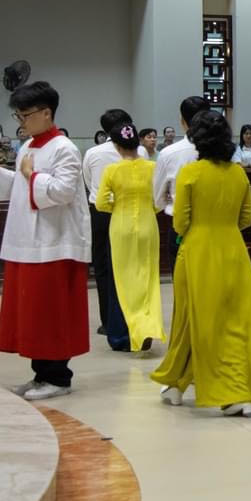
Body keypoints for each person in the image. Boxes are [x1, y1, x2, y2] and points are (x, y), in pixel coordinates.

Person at [0, 81, 90, 401]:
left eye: (25, 115)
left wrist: (31, 175)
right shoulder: (28, 147)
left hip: (56, 241)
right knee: (34, 312)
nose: (21, 122)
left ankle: (58, 378)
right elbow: (22, 187)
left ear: (46, 113)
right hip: (28, 241)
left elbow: (63, 191)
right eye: (19, 115)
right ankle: (41, 375)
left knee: (52, 312)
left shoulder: (65, 148)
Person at [151, 110, 251, 417]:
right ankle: (177, 383)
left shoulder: (190, 173)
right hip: (233, 250)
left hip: (197, 251)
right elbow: (246, 219)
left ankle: (231, 393)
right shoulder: (239, 174)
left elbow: (180, 222)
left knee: (197, 319)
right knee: (235, 320)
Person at [94, 123, 163, 352]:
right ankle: (145, 330)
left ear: (116, 145)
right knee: (147, 279)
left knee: (121, 280)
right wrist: (148, 209)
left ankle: (121, 336)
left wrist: (119, 207)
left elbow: (101, 203)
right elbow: (159, 201)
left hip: (121, 227)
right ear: (138, 142)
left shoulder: (112, 170)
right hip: (148, 226)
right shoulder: (153, 167)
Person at [83, 108, 136, 345]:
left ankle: (107, 321)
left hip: (101, 213)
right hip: (131, 211)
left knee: (103, 267)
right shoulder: (138, 151)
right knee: (131, 266)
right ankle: (131, 319)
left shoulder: (93, 152)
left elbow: (88, 180)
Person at [153, 97, 209, 224]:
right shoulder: (225, 151)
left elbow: (158, 200)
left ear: (182, 121)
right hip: (218, 222)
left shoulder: (168, 153)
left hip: (180, 221)